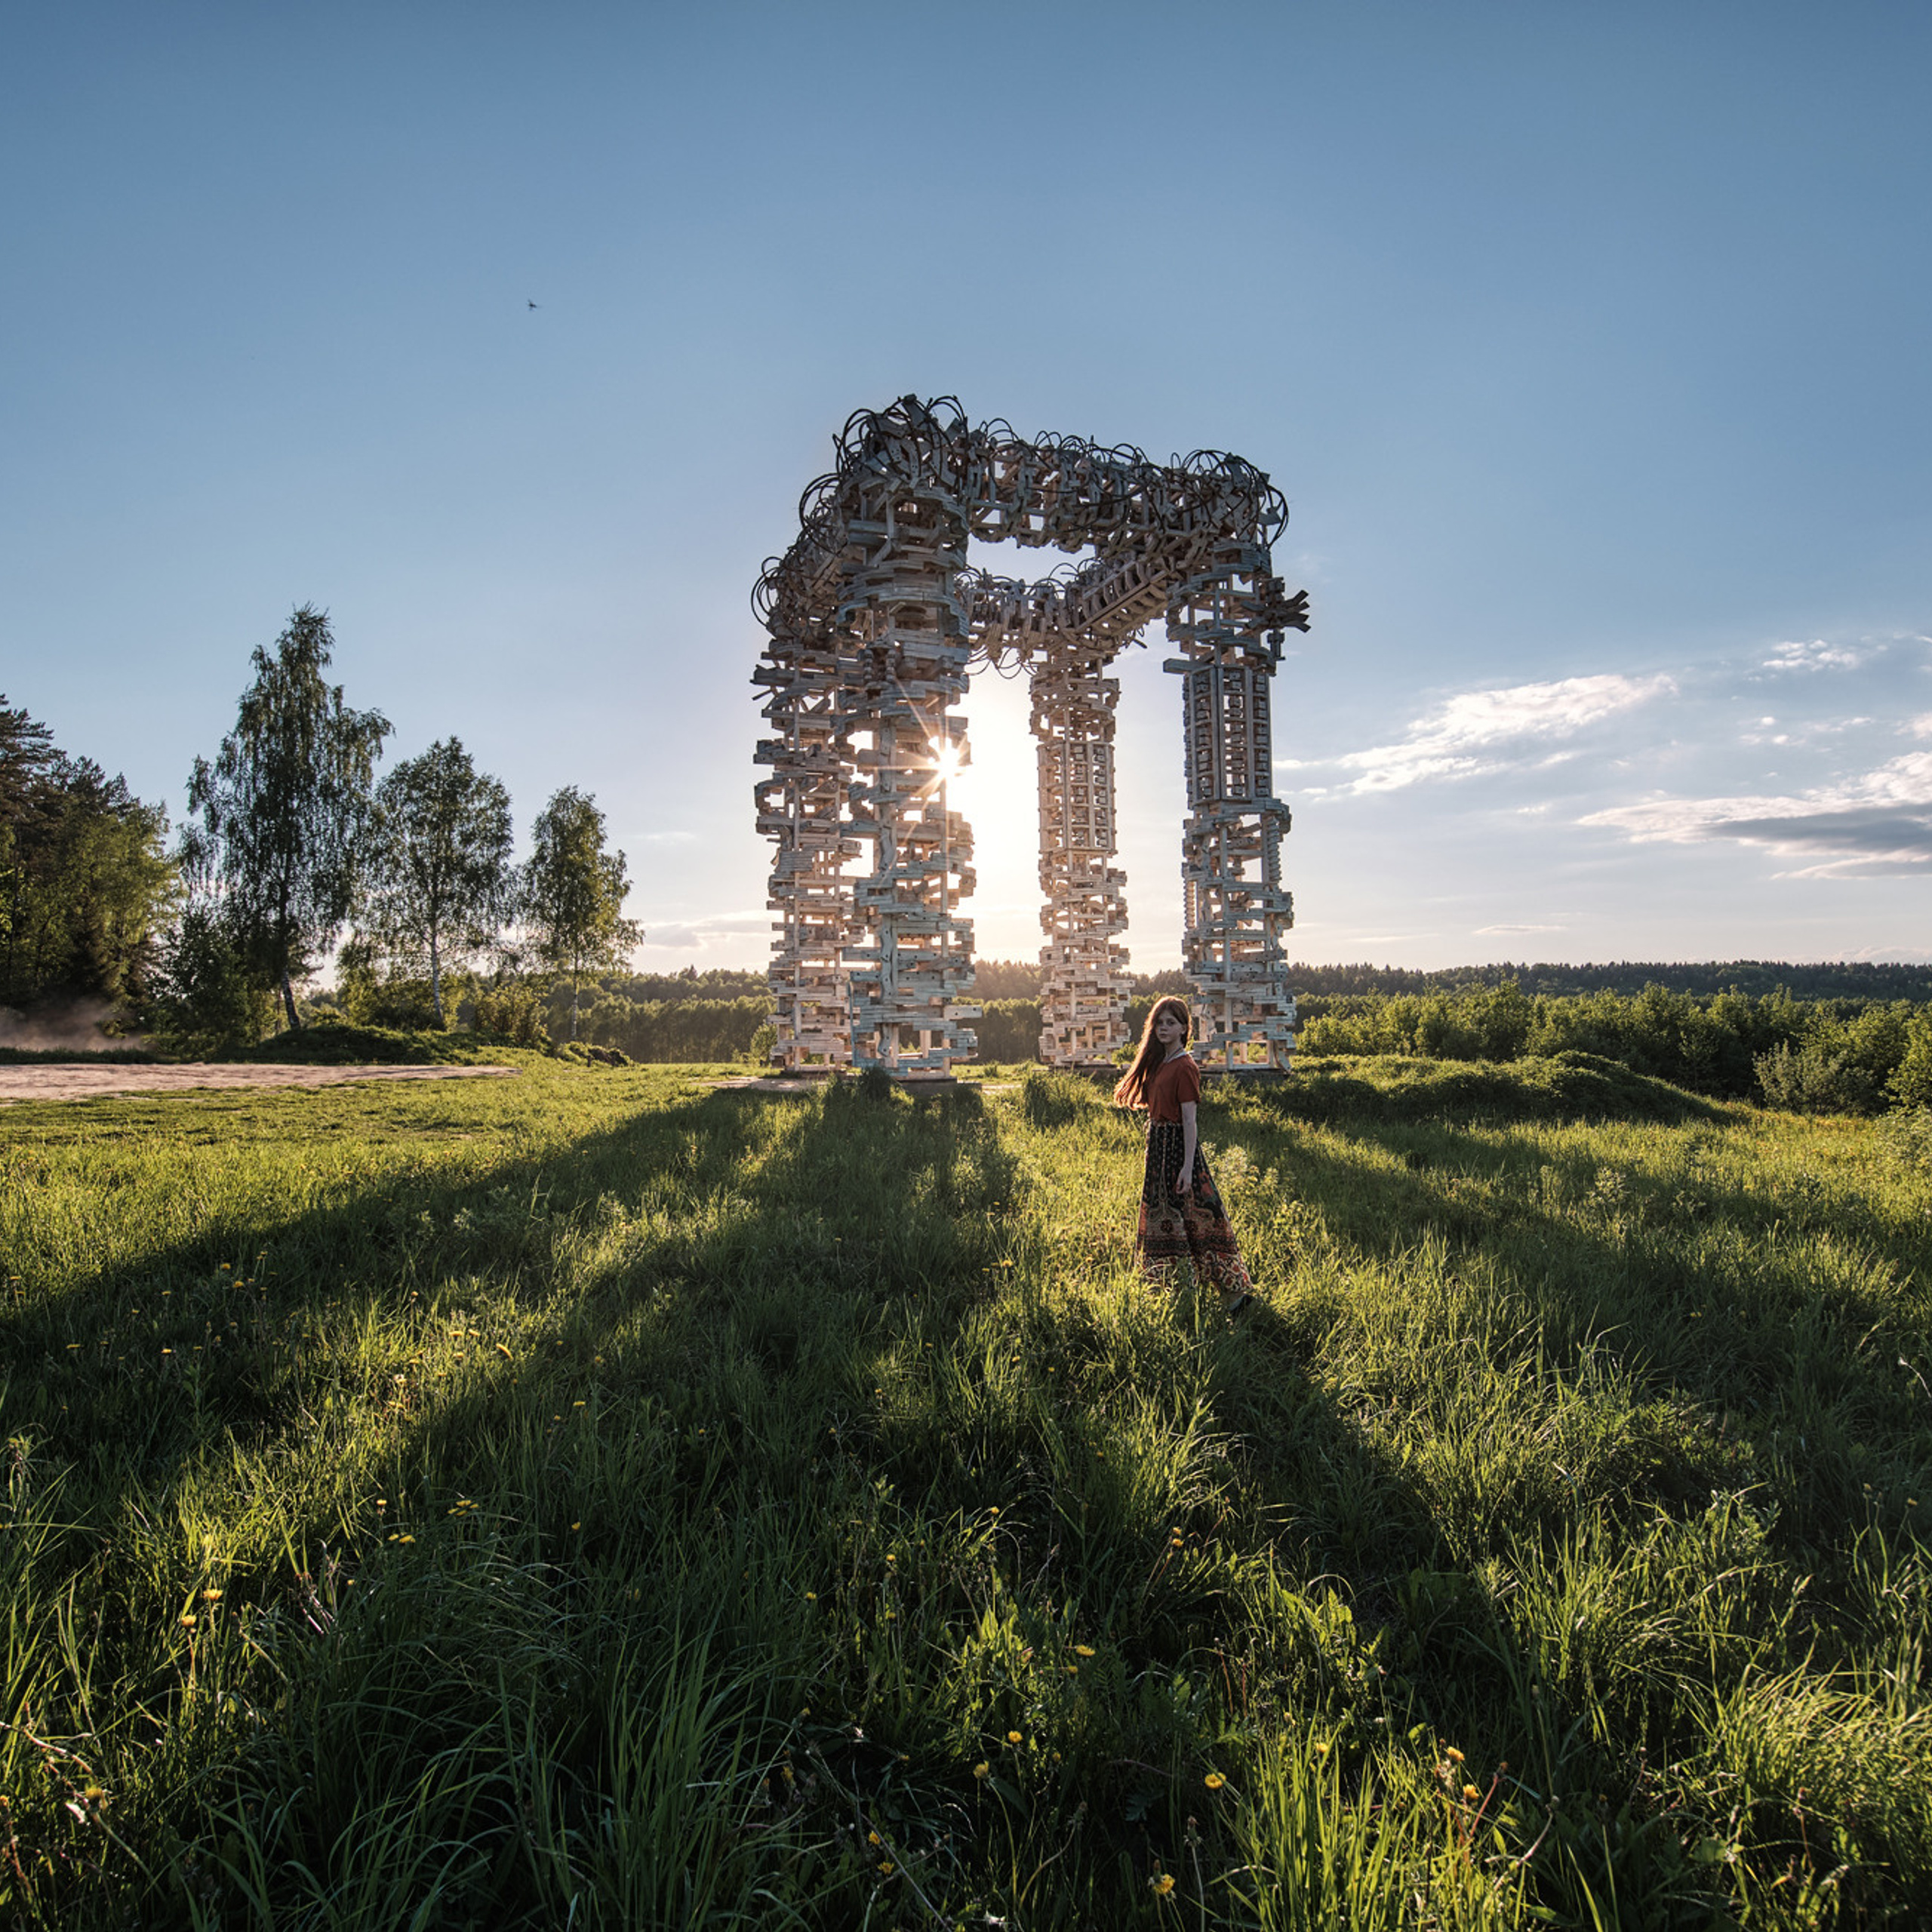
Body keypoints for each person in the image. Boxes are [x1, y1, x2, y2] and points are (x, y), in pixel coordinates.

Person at [1112, 997, 1255, 1314]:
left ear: (1184, 1028)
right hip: (1159, 1149)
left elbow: (1189, 1120)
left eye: (1171, 1023)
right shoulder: (1160, 1062)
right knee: (1168, 1221)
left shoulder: (1185, 1066)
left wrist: (1188, 1167)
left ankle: (1233, 1295)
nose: (1164, 1028)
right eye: (1159, 1023)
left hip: (1178, 1149)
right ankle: (1172, 1293)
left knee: (1199, 1219)